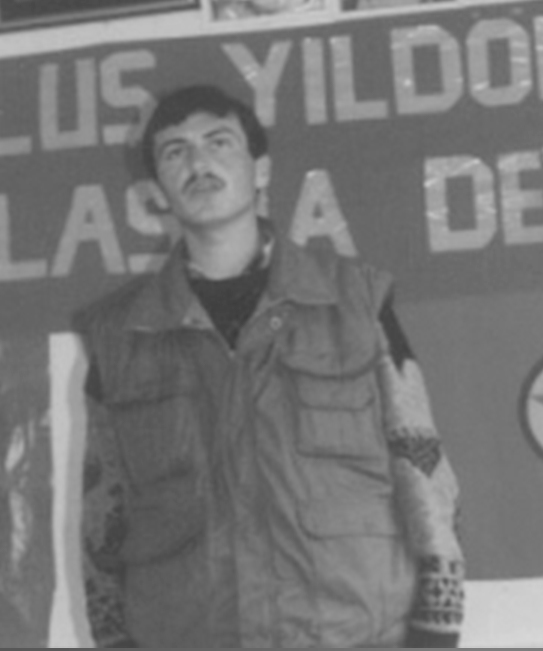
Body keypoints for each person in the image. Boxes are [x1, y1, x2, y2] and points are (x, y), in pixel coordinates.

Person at [76, 86, 465, 648]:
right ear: (156, 191)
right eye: (175, 152)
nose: (198, 162)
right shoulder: (123, 335)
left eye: (218, 142)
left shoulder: (355, 303)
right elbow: (102, 516)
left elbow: (424, 470)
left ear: (261, 169)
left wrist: (436, 634)